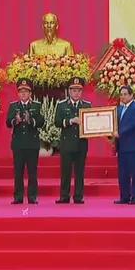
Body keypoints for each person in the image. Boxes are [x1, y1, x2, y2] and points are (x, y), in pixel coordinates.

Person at [6, 78, 44, 204]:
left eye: (26, 91)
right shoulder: (13, 106)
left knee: (32, 172)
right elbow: (8, 122)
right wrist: (15, 121)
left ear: (30, 93)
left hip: (32, 144)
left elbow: (41, 122)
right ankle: (18, 196)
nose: (23, 94)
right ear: (18, 93)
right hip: (18, 144)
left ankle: (32, 196)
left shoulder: (36, 105)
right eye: (21, 91)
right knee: (18, 172)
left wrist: (30, 121)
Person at [54, 76, 91, 204]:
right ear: (69, 91)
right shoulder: (62, 105)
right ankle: (64, 196)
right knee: (65, 172)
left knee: (79, 172)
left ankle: (78, 196)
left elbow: (91, 123)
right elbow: (57, 122)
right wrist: (70, 121)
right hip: (67, 143)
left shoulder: (86, 105)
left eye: (79, 90)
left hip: (81, 143)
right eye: (74, 90)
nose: (76, 93)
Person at [112, 86, 135, 205]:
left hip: (133, 146)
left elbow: (134, 124)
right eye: (121, 94)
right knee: (123, 173)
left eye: (125, 94)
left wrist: (119, 133)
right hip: (122, 146)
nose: (123, 96)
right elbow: (114, 124)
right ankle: (124, 196)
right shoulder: (119, 109)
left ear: (131, 95)